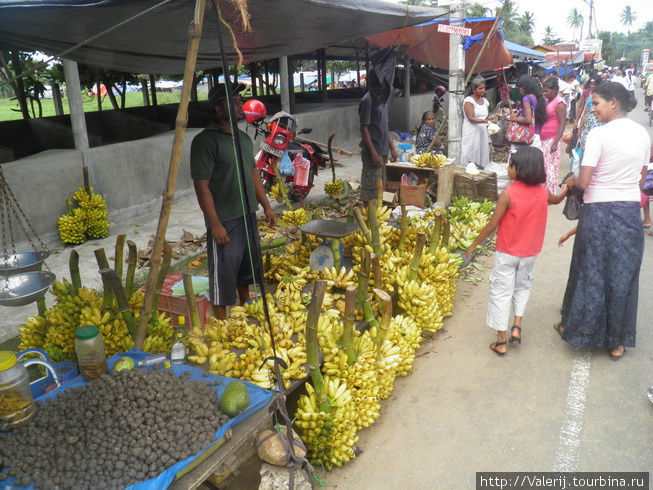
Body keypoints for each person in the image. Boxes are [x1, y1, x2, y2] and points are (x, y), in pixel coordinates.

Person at [554, 82, 651, 359]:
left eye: (596, 103)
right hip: (629, 210)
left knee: (591, 271)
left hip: (599, 211)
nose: (592, 109)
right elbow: (642, 179)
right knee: (622, 275)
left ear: (613, 103)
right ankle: (617, 343)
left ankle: (578, 330)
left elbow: (584, 182)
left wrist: (572, 181)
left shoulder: (599, 135)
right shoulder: (642, 134)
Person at [465, 147, 568, 355]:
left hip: (507, 253)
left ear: (520, 169)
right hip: (530, 253)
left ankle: (501, 341)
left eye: (511, 165)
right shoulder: (541, 191)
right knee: (522, 287)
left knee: (501, 292)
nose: (508, 168)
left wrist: (474, 244)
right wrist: (567, 187)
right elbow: (556, 200)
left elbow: (493, 224)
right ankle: (517, 326)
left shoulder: (508, 193)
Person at [190, 83, 277, 319]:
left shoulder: (243, 138)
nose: (241, 104)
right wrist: (215, 223)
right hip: (225, 219)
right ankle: (221, 321)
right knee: (224, 275)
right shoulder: (205, 142)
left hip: (247, 213)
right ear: (219, 108)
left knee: (246, 268)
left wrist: (266, 206)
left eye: (240, 99)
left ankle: (246, 306)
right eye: (234, 100)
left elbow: (253, 174)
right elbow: (202, 186)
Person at [359, 48, 398, 203]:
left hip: (382, 150)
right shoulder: (367, 101)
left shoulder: (381, 101)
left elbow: (384, 127)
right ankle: (369, 217)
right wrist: (373, 153)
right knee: (370, 187)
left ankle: (377, 215)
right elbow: (364, 128)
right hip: (372, 151)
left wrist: (392, 147)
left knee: (380, 185)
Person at [540, 78, 568, 194]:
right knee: (544, 166)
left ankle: (550, 193)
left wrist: (556, 142)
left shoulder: (559, 103)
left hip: (552, 139)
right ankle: (545, 192)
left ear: (555, 90)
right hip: (544, 138)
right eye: (543, 91)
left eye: (546, 91)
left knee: (551, 167)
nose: (544, 93)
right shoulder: (548, 101)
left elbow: (562, 123)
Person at [505, 75, 547, 151]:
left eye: (519, 89)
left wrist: (514, 118)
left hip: (526, 138)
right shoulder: (540, 98)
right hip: (536, 136)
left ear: (524, 87)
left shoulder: (527, 99)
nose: (519, 91)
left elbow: (528, 120)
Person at [459, 77, 490, 168]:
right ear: (473, 90)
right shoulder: (469, 101)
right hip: (471, 131)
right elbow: (471, 117)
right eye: (480, 88)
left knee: (482, 152)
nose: (483, 90)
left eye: (484, 88)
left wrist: (490, 120)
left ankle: (481, 172)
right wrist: (485, 121)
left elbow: (486, 115)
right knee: (471, 151)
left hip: (482, 131)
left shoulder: (485, 101)